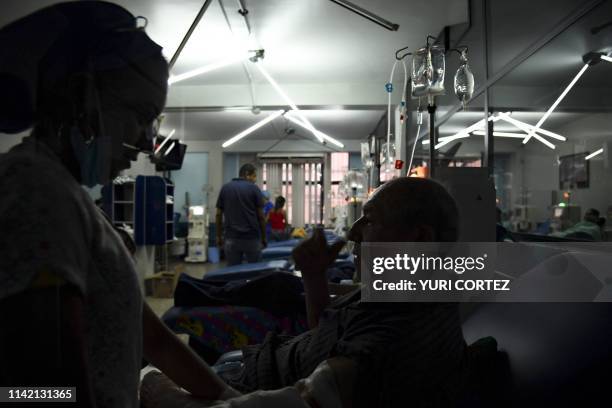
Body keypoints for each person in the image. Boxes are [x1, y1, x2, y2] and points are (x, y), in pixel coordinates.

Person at [0, 2, 232, 406]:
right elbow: (42, 387)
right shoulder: (36, 188)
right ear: (78, 96)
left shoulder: (74, 199)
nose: (147, 142)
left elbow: (151, 336)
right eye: (140, 116)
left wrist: (230, 397)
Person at [218, 177, 468, 407]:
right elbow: (325, 334)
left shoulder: (388, 341)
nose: (352, 232)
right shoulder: (406, 293)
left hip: (251, 384)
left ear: (421, 239)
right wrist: (314, 277)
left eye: (369, 220)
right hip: (266, 364)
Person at [216, 164, 267, 265]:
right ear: (247, 175)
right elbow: (261, 216)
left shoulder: (225, 188)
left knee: (233, 272)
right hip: (251, 238)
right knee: (255, 271)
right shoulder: (254, 189)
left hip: (231, 238)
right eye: (254, 176)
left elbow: (218, 214)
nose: (255, 179)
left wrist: (218, 236)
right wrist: (264, 238)